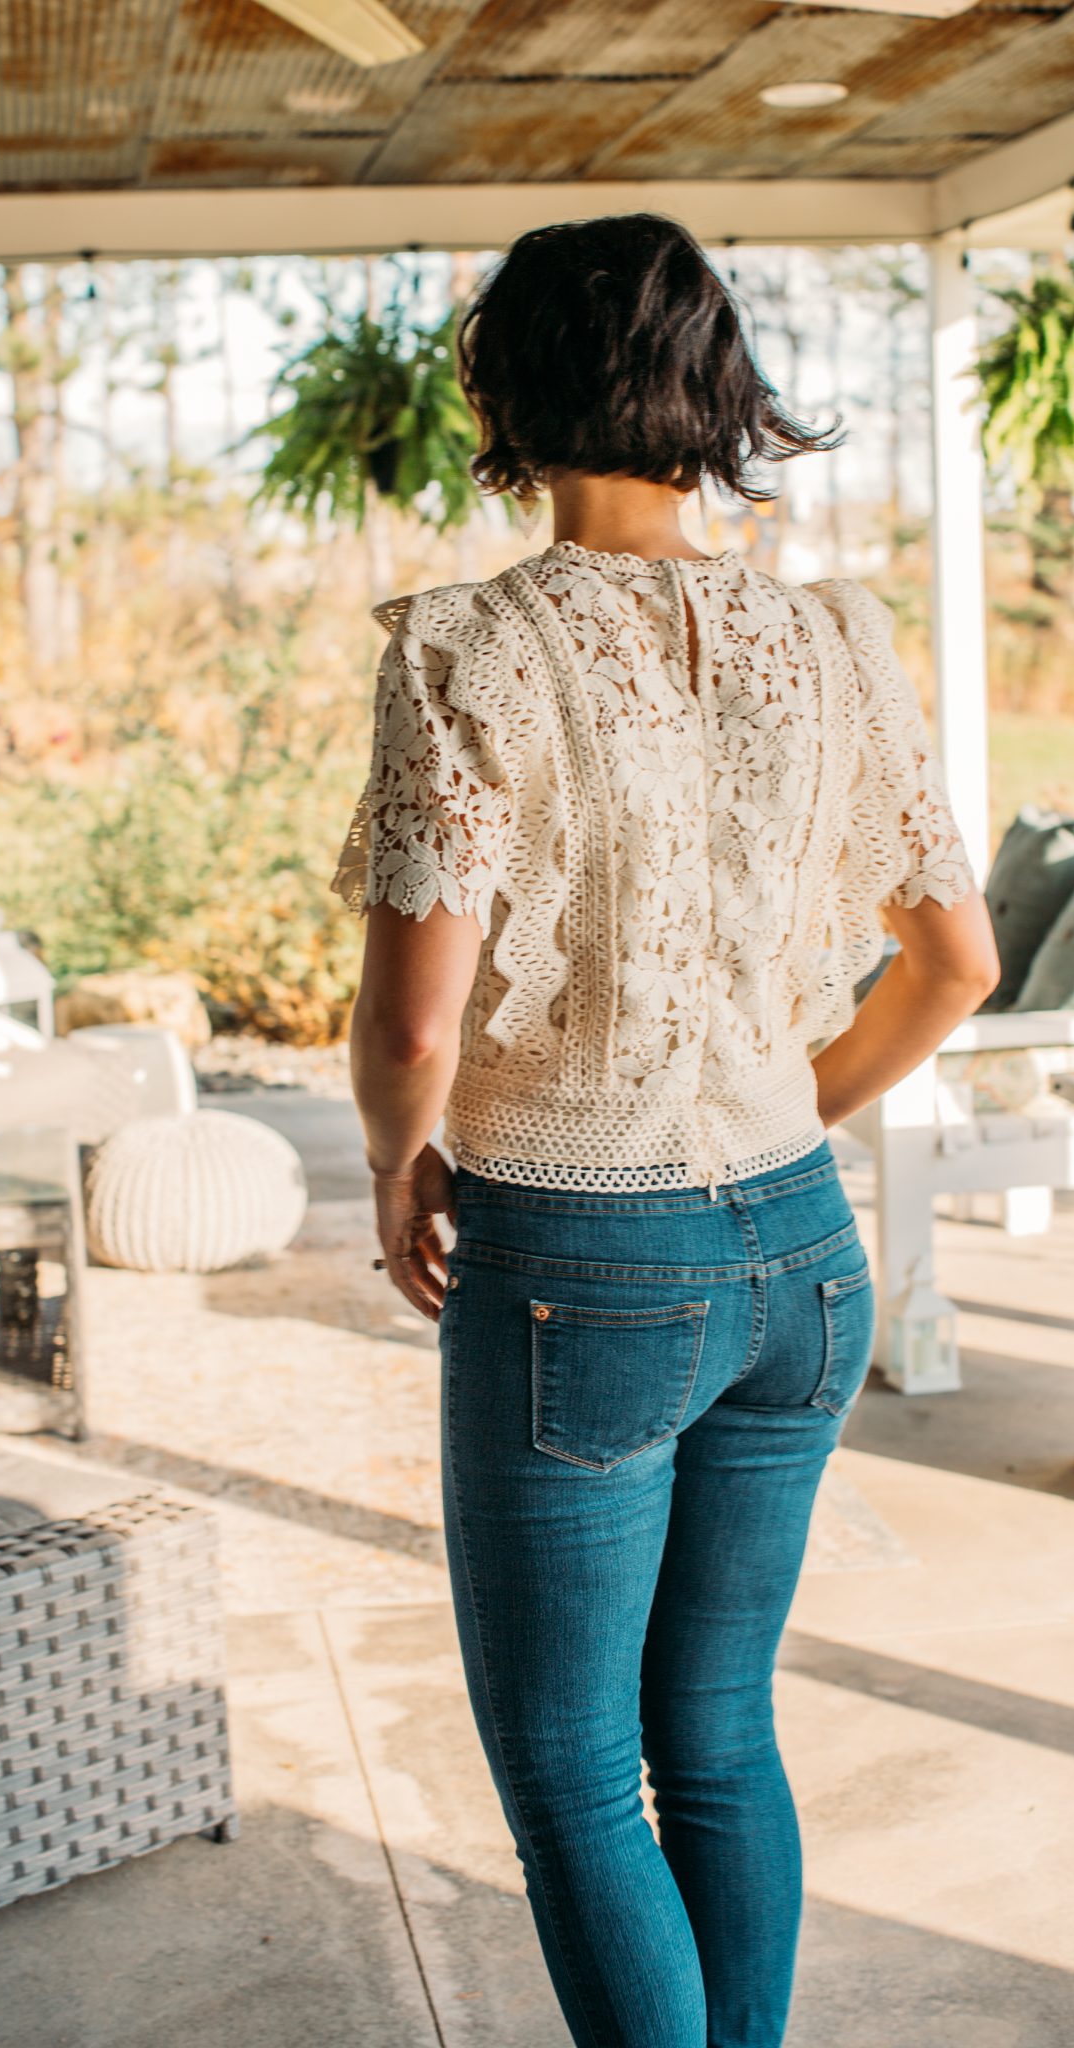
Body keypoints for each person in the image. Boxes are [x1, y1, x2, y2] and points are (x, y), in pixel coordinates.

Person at [332, 213, 998, 2048]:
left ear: (511, 389)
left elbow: (410, 1017)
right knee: (716, 1743)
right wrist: (789, 1115)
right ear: (717, 389)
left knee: (571, 1778)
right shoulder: (831, 638)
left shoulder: (471, 648)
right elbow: (957, 963)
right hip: (802, 1263)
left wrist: (398, 1161)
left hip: (580, 1268)